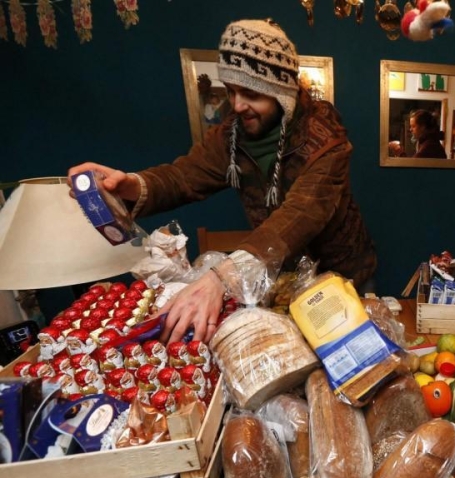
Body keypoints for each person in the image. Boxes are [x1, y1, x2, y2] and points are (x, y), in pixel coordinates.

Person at [68, 19, 377, 345]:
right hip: (280, 276)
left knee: (350, 360)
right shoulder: (231, 135)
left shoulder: (327, 140)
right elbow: (183, 177)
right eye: (230, 90)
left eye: (250, 93)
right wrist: (128, 184)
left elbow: (301, 215)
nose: (237, 105)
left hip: (343, 275)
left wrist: (221, 278)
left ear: (281, 92)